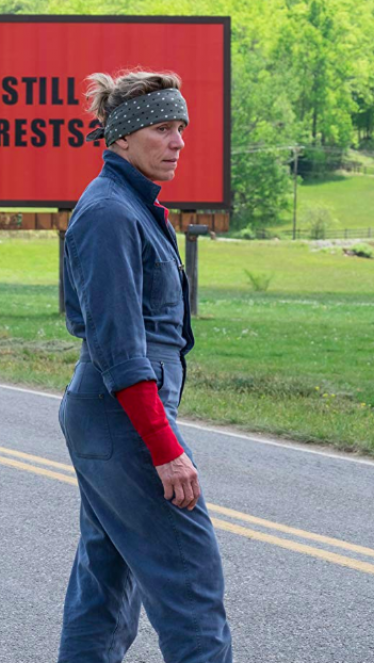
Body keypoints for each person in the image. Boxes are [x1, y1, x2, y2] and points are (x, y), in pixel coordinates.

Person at [57, 70, 233, 663]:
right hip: (122, 415)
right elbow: (120, 347)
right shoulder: (110, 213)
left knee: (106, 582)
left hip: (114, 414)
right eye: (163, 128)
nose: (178, 141)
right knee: (190, 582)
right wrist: (164, 447)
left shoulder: (131, 206)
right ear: (122, 139)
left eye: (181, 127)